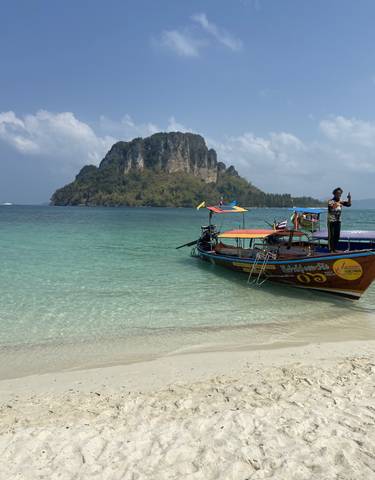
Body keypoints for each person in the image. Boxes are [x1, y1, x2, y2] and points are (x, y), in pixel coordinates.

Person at [327, 188, 351, 252]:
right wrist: (337, 203)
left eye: (340, 193)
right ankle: (330, 249)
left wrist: (349, 198)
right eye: (337, 193)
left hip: (338, 221)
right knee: (331, 236)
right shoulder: (331, 201)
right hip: (331, 221)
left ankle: (334, 249)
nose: (339, 194)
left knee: (337, 236)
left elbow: (349, 204)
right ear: (334, 194)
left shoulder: (341, 201)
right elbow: (330, 209)